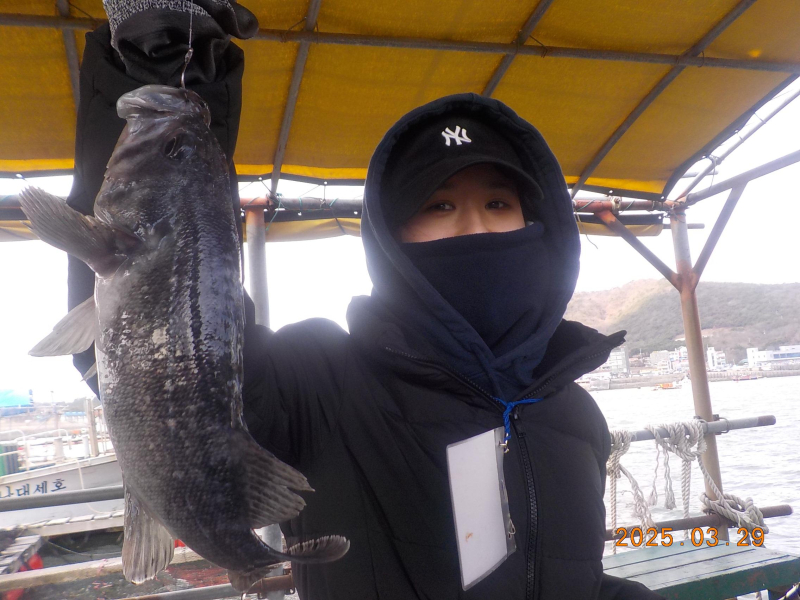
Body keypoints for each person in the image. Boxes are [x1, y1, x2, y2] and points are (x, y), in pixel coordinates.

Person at [67, 2, 664, 598]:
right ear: (391, 236)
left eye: (499, 203)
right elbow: (160, 309)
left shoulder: (577, 415)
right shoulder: (315, 384)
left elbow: (571, 576)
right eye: (439, 205)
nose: (475, 227)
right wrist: (162, 65)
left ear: (539, 224)